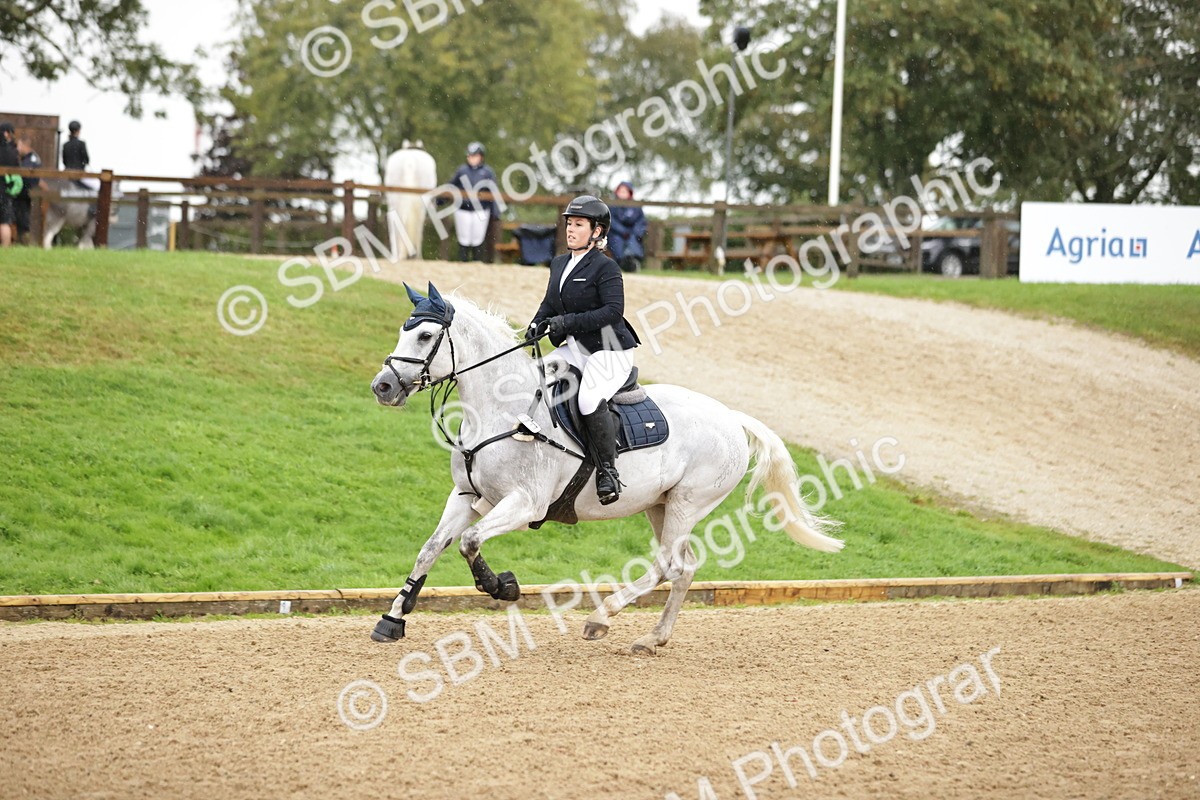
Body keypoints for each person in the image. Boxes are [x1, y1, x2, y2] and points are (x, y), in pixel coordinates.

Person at [528, 195, 641, 505]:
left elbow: (613, 312)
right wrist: (537, 323)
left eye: (578, 224)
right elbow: (550, 302)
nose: (570, 229)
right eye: (568, 224)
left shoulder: (606, 267)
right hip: (576, 349)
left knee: (589, 398)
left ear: (596, 231)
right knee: (532, 376)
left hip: (610, 351)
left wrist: (567, 322)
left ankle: (608, 471)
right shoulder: (560, 263)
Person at [448, 141, 498, 262]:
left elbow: (493, 192)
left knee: (478, 238)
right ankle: (463, 261)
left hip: (481, 209)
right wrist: (440, 199)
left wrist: (495, 211)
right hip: (463, 208)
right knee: (463, 237)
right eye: (470, 155)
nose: (471, 158)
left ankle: (477, 261)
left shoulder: (488, 172)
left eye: (474, 155)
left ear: (481, 157)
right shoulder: (462, 170)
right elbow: (451, 186)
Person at [608, 180, 648, 272]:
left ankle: (632, 260)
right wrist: (623, 231)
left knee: (633, 240)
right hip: (616, 233)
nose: (622, 194)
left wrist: (635, 232)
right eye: (620, 191)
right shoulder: (612, 205)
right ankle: (623, 262)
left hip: (632, 233)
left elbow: (641, 222)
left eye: (624, 191)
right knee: (617, 241)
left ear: (630, 192)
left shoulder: (636, 207)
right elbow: (611, 221)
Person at [15, 135, 42, 245]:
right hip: (24, 193)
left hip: (24, 194)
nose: (18, 149)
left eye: (19, 146)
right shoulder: (29, 158)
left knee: (23, 221)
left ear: (25, 146)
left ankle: (24, 242)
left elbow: (26, 175)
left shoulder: (31, 159)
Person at [62, 120, 99, 191]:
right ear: (78, 131)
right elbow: (86, 160)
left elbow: (64, 161)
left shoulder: (65, 145)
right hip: (80, 174)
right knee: (92, 189)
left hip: (68, 174)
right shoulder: (81, 144)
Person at [0, 122, 19, 248]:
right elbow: (16, 169)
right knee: (4, 221)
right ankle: (5, 248)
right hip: (4, 189)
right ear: (6, 133)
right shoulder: (11, 152)